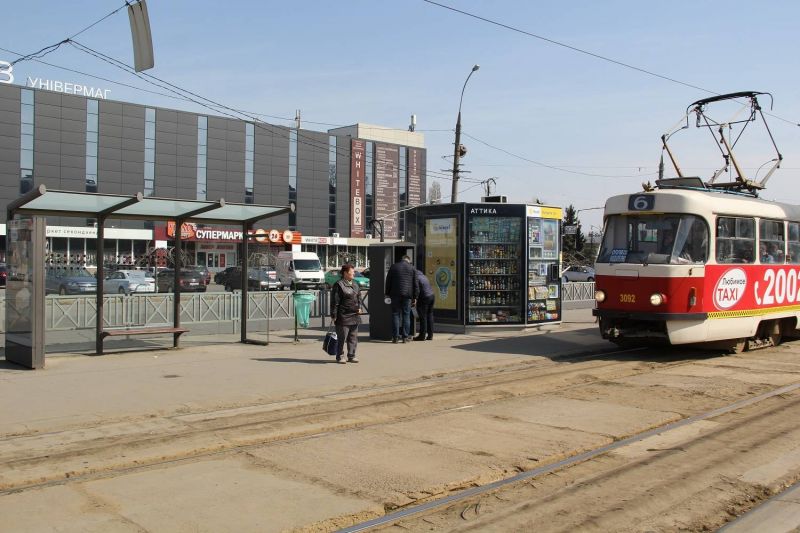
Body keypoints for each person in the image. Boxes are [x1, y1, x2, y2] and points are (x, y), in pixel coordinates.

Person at [330, 263, 361, 364]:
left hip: (354, 314)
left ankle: (351, 355)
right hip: (343, 315)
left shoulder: (355, 284)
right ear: (345, 273)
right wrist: (334, 314)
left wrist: (359, 307)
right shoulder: (339, 284)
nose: (353, 274)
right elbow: (335, 301)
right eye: (351, 273)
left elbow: (359, 297)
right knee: (342, 338)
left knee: (353, 337)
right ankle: (340, 356)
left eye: (353, 273)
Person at [385, 255, 418, 343]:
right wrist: (415, 297)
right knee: (406, 315)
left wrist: (387, 293)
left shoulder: (394, 266)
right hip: (407, 295)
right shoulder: (412, 268)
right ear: (409, 260)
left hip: (395, 294)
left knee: (395, 314)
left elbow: (388, 281)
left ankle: (395, 337)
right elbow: (415, 284)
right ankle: (405, 337)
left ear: (402, 259)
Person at [413, 269, 435, 341]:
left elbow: (417, 289)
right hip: (431, 296)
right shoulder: (424, 276)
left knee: (423, 316)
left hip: (424, 297)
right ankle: (430, 335)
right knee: (430, 315)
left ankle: (422, 336)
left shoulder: (416, 278)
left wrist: (415, 298)